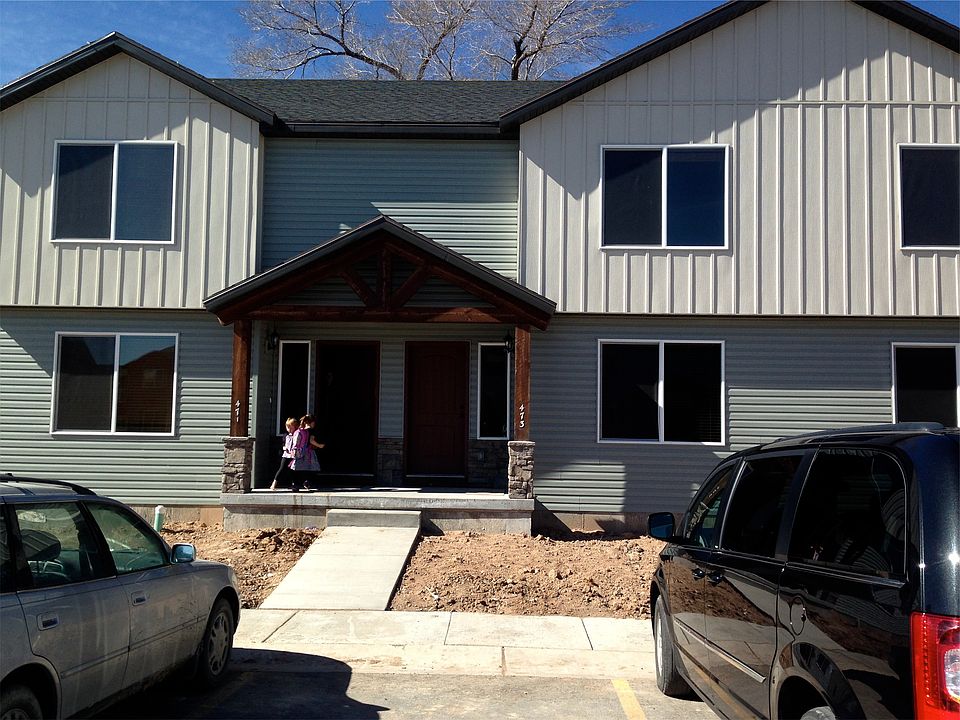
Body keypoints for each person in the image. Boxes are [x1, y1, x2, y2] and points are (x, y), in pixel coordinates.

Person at [292, 414, 324, 489]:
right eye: (314, 423)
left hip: (300, 452)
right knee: (311, 468)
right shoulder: (311, 430)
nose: (314, 424)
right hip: (309, 452)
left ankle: (296, 484)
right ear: (311, 422)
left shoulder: (301, 430)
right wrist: (320, 445)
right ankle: (307, 482)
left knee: (299, 468)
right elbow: (311, 440)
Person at [269, 417, 300, 491]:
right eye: (287, 427)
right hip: (286, 454)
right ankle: (274, 483)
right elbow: (282, 444)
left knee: (294, 470)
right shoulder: (286, 435)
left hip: (294, 455)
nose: (289, 429)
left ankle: (294, 484)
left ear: (295, 427)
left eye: (291, 427)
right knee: (282, 468)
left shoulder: (297, 434)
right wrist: (284, 447)